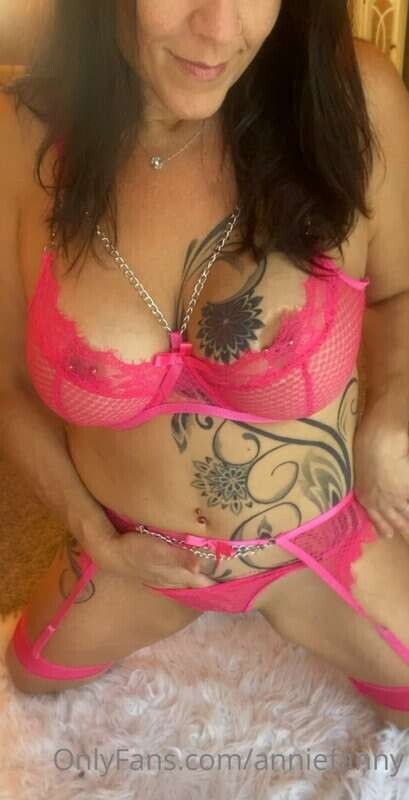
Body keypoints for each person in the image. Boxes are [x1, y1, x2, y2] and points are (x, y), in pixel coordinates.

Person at [1, 0, 409, 730]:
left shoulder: (354, 95)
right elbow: (7, 384)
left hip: (322, 544)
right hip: (135, 554)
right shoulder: (18, 134)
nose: (220, 30)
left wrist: (394, 406)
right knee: (29, 679)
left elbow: (398, 295)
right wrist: (94, 537)